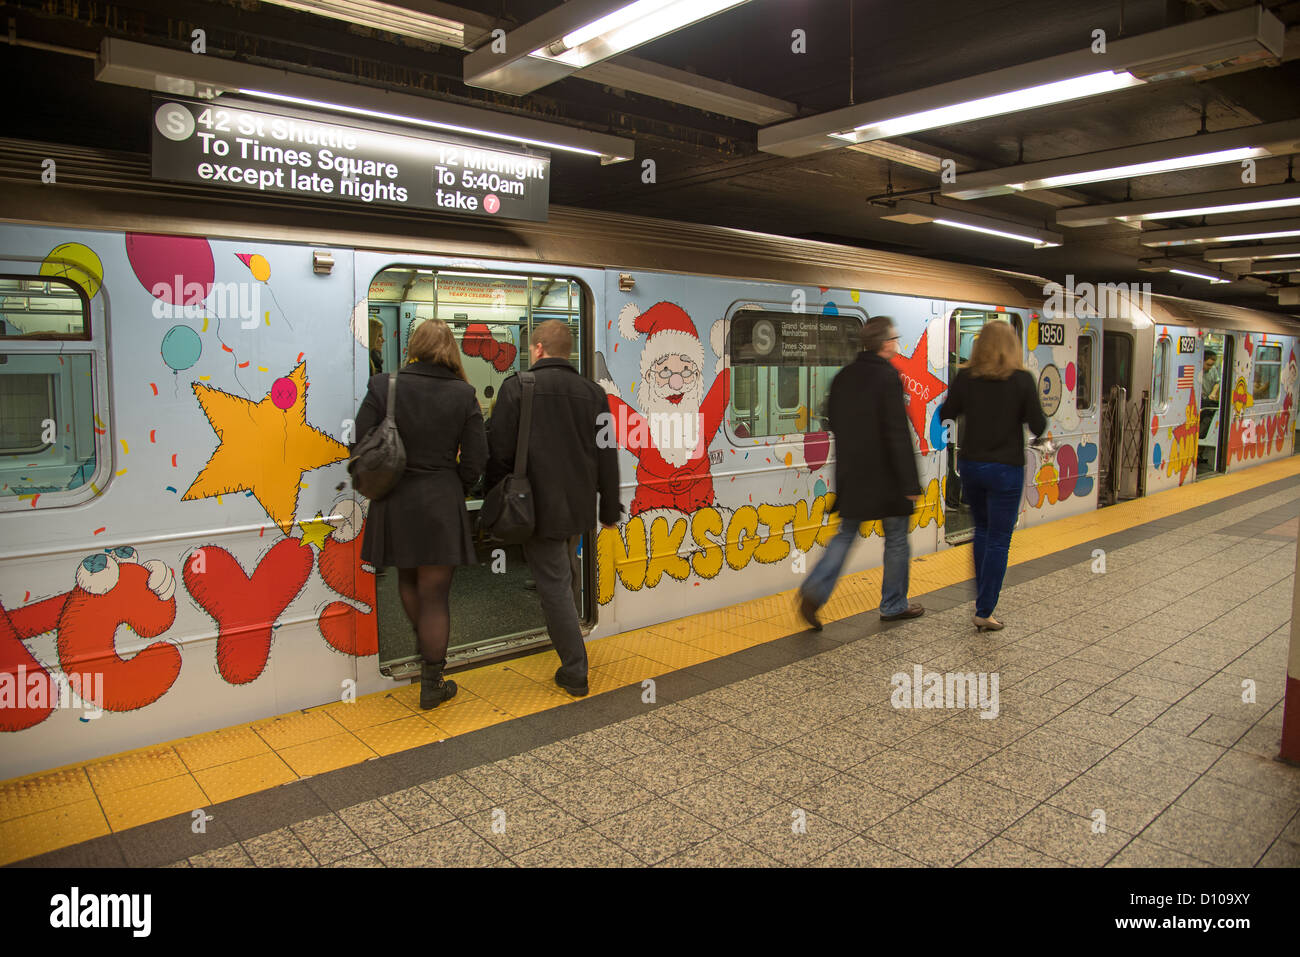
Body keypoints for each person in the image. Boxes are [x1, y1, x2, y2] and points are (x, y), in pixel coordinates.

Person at [353, 319, 486, 709]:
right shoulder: (464, 394)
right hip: (441, 502)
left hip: (394, 500)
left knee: (407, 581)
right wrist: (454, 485)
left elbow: (360, 441)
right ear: (450, 351)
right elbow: (478, 457)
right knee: (436, 596)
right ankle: (433, 680)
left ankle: (422, 647)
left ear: (413, 346)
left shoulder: (385, 386)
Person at [487, 319, 621, 697]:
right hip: (577, 506)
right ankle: (574, 635)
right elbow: (606, 454)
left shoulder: (517, 388)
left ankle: (576, 669)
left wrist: (498, 497)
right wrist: (609, 509)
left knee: (554, 587)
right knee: (566, 572)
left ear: (540, 348)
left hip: (535, 507)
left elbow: (499, 452)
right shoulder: (593, 393)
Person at [797, 316, 924, 631]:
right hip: (889, 480)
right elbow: (897, 434)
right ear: (883, 343)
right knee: (896, 539)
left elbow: (832, 422)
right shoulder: (888, 378)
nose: (896, 342)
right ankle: (894, 604)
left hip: (853, 475)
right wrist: (910, 482)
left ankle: (814, 591)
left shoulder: (843, 377)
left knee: (845, 535)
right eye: (894, 338)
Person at [937, 320, 1047, 632]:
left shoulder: (966, 377)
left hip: (972, 466)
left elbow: (947, 413)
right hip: (1006, 469)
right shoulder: (1022, 380)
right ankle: (984, 609)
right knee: (999, 538)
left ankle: (981, 601)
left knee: (982, 532)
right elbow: (1038, 425)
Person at [1200, 350, 1221, 440]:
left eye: (1212, 365)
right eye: (1208, 365)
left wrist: (1213, 393)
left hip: (1208, 399)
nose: (1210, 367)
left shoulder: (1212, 370)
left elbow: (1217, 383)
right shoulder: (1197, 370)